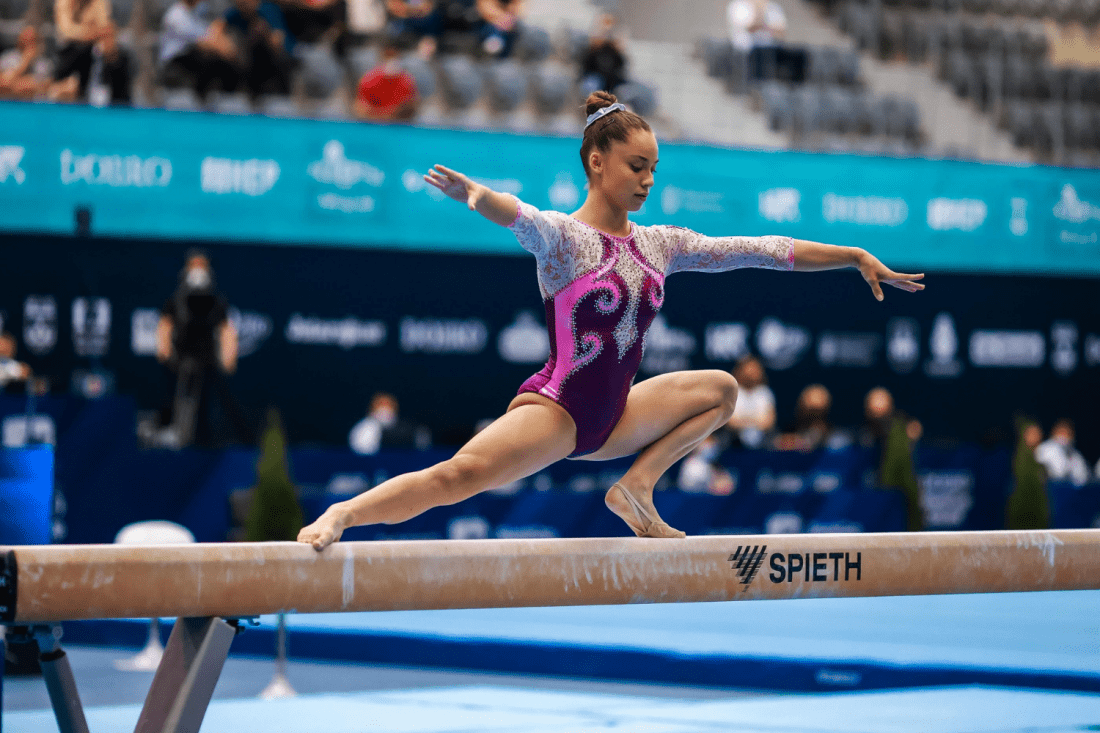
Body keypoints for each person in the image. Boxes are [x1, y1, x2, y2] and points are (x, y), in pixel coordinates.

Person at [297, 90, 924, 549]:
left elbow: (758, 249)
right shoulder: (566, 240)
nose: (648, 179)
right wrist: (476, 195)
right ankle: (343, 516)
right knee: (458, 475)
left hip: (620, 416)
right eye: (636, 166)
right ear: (597, 162)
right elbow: (520, 215)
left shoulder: (662, 244)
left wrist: (850, 256)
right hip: (559, 411)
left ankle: (636, 487)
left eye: (654, 169)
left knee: (722, 391)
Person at [156, 250, 246, 447]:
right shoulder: (176, 300)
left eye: (201, 267)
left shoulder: (216, 301)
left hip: (207, 362)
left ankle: (204, 441)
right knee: (173, 400)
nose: (197, 272)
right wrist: (164, 350)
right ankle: (170, 435)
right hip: (179, 360)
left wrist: (229, 357)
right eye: (194, 267)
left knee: (206, 406)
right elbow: (165, 325)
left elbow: (226, 331)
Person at [159, 0, 241, 101]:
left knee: (226, 63)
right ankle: (201, 97)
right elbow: (203, 42)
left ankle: (227, 99)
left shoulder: (197, 12)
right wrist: (225, 49)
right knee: (210, 58)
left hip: (193, 54)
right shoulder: (175, 15)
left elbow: (208, 34)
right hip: (175, 60)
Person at [53, 0, 132, 102]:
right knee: (80, 50)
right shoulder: (64, 2)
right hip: (70, 50)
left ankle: (119, 101)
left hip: (94, 43)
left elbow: (105, 26)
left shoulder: (99, 2)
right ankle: (77, 90)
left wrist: (101, 36)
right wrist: (92, 33)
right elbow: (67, 31)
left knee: (117, 55)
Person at [224, 0, 295, 97]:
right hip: (249, 60)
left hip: (279, 59)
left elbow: (278, 43)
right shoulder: (234, 13)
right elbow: (216, 30)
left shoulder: (268, 10)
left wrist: (264, 33)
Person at [726, 0, 804, 83]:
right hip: (747, 49)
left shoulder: (772, 7)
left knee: (798, 55)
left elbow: (781, 31)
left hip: (771, 47)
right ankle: (758, 84)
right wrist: (760, 12)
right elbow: (750, 27)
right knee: (762, 54)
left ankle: (793, 86)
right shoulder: (739, 5)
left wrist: (765, 27)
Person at [0, 26, 78, 101]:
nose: (29, 44)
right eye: (26, 39)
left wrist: (25, 84)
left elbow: (46, 85)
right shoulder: (8, 57)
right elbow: (5, 83)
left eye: (33, 40)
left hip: (36, 104)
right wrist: (26, 61)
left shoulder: (44, 63)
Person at [354, 37, 417, 120]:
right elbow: (360, 109)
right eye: (389, 55)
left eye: (395, 56)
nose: (392, 60)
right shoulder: (368, 80)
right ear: (382, 56)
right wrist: (385, 114)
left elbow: (412, 109)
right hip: (373, 125)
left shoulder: (407, 81)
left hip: (398, 126)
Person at [349, 392, 429, 453]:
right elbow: (361, 451)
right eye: (381, 405)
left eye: (388, 405)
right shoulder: (363, 428)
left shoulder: (408, 428)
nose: (385, 409)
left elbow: (423, 446)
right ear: (373, 407)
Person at [725, 354, 774, 448]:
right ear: (740, 370)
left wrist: (745, 422)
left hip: (763, 439)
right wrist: (755, 422)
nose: (752, 373)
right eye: (749, 369)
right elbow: (730, 423)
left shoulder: (765, 392)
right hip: (734, 439)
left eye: (755, 369)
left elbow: (769, 422)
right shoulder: (733, 391)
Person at [775, 383, 837, 452]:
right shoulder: (786, 433)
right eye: (810, 410)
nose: (813, 416)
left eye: (818, 411)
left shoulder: (838, 441)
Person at [579, 13, 627, 98]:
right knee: (590, 86)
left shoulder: (616, 48)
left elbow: (621, 66)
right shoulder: (593, 45)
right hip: (595, 78)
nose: (607, 28)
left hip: (613, 80)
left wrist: (619, 48)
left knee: (625, 91)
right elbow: (585, 64)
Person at [1035, 419, 1090, 486]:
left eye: (1068, 434)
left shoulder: (1076, 455)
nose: (1064, 436)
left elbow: (1083, 476)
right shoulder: (1043, 449)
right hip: (1048, 489)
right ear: (1054, 433)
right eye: (1061, 433)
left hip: (1070, 491)